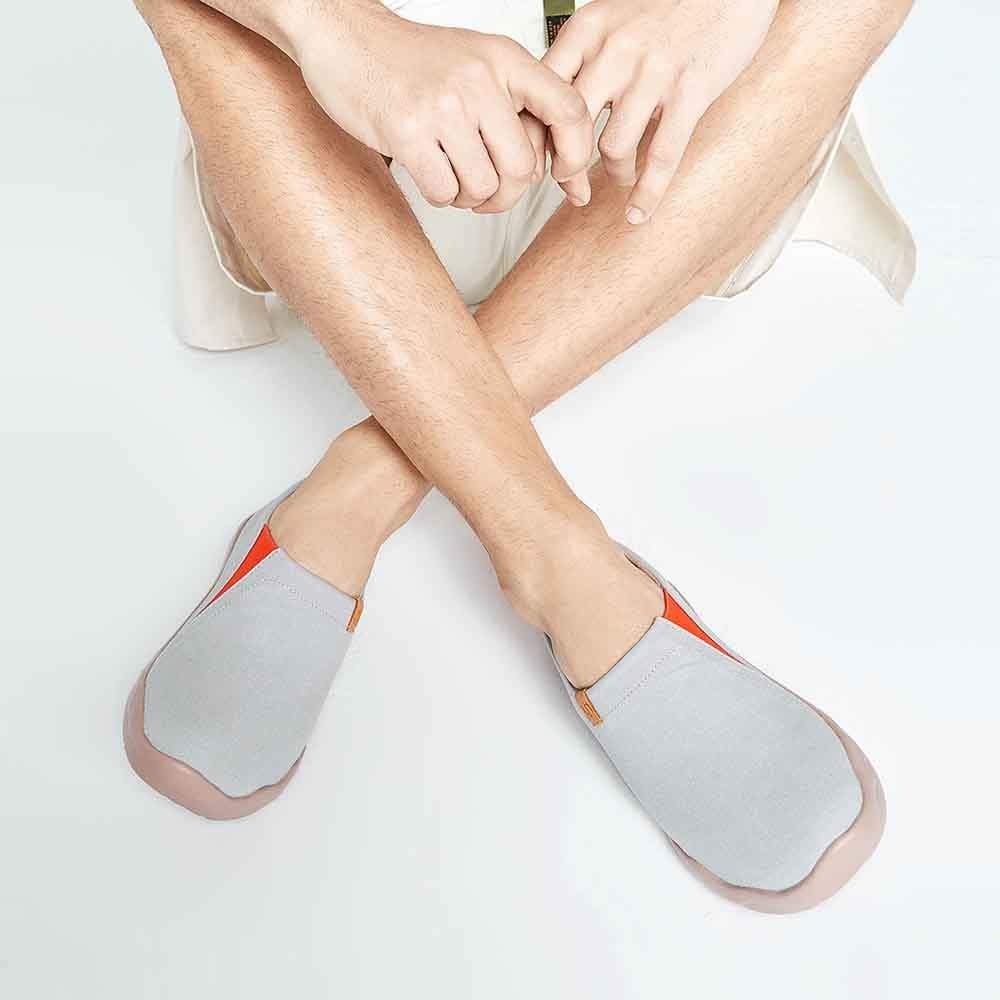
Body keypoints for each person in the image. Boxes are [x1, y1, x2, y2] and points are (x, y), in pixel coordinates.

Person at [124, 0, 914, 911]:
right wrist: (337, 32)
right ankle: (554, 551)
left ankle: (364, 483)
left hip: (680, 160)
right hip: (328, 169)